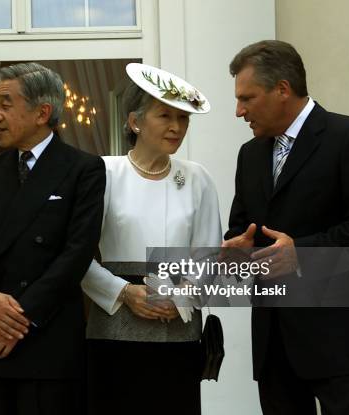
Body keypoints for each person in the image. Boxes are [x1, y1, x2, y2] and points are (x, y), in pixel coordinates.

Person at [223, 40, 349, 415]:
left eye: (247, 98)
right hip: (274, 344)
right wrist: (236, 251)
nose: (239, 111)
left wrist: (301, 253)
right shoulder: (249, 155)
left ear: (282, 89)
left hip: (340, 341)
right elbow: (241, 228)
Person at [0, 62, 105, 415]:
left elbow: (77, 251)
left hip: (46, 339)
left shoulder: (84, 168)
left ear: (42, 112)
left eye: (5, 104)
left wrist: (17, 319)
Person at [81, 63, 222, 414]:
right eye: (165, 116)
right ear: (135, 122)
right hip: (114, 325)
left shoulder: (197, 178)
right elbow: (76, 254)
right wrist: (124, 292)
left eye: (184, 118)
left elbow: (210, 256)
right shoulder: (104, 172)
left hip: (179, 330)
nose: (177, 127)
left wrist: (182, 298)